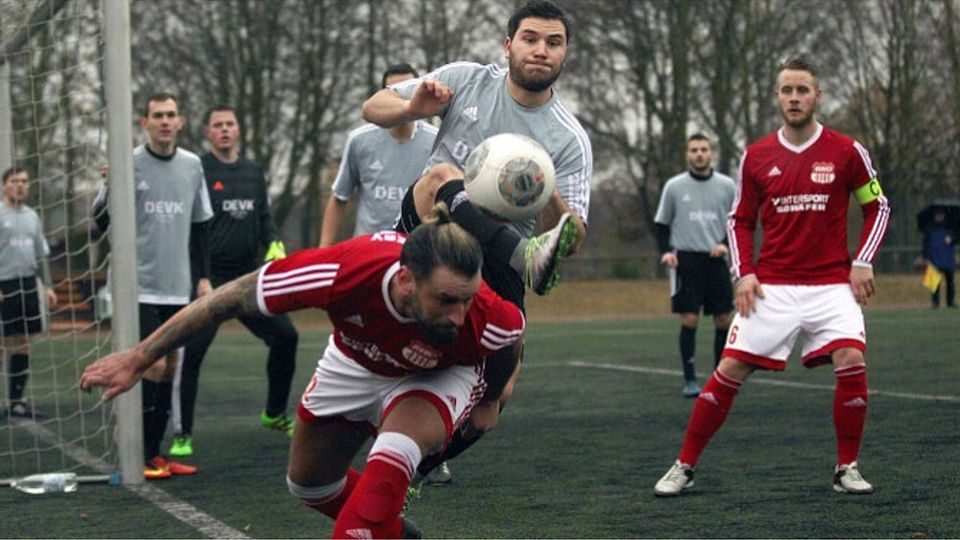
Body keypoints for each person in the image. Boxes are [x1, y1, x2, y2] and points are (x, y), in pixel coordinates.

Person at [80, 206, 525, 539]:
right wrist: (139, 357)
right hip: (355, 360)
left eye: (466, 299)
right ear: (406, 280)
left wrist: (490, 399)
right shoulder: (341, 272)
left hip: (440, 374)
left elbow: (509, 340)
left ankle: (376, 509)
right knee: (311, 485)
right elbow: (226, 299)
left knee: (389, 462)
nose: (458, 313)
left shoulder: (485, 314)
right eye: (447, 299)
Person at [362, 0, 592, 486]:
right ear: (508, 45)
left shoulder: (569, 139)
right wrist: (411, 106)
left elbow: (572, 238)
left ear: (565, 55)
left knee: (494, 401)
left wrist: (545, 185)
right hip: (432, 234)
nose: (540, 51)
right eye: (530, 39)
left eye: (554, 43)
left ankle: (406, 472)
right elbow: (372, 106)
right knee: (443, 174)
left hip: (494, 261)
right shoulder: (467, 80)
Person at [653, 58, 891, 496]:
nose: (795, 98)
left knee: (852, 361)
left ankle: (846, 468)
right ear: (777, 96)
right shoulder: (757, 156)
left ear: (817, 96)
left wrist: (863, 260)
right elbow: (739, 219)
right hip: (772, 286)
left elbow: (878, 206)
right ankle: (684, 465)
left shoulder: (846, 151)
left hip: (833, 285)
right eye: (787, 91)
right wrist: (743, 275)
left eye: (803, 90)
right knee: (730, 367)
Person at [92, 92, 214, 480]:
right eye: (157, 115)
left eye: (171, 115)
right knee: (153, 364)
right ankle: (138, 454)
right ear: (144, 123)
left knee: (170, 368)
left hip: (177, 285)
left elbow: (200, 225)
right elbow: (99, 223)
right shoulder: (127, 162)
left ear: (180, 122)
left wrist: (203, 276)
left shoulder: (193, 165)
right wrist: (110, 186)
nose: (165, 121)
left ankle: (155, 453)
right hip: (136, 286)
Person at [166, 105, 299, 459]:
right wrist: (200, 276)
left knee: (287, 337)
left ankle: (273, 413)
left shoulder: (254, 172)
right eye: (217, 125)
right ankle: (182, 434)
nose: (224, 130)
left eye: (230, 124)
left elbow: (264, 217)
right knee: (190, 352)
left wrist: (274, 241)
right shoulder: (199, 170)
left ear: (238, 130)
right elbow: (193, 228)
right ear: (208, 132)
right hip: (210, 281)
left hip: (248, 279)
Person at [653, 134, 736, 398]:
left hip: (716, 260)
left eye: (703, 149)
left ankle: (719, 377)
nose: (699, 154)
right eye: (694, 150)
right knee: (690, 318)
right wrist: (666, 251)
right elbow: (661, 223)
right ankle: (689, 380)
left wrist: (724, 243)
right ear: (687, 155)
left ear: (711, 153)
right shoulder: (675, 186)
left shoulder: (727, 185)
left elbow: (738, 221)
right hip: (686, 260)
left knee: (724, 319)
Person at [319, 64, 438, 247]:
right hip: (368, 250)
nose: (403, 98)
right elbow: (339, 197)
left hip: (416, 252)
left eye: (409, 89)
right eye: (395, 93)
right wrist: (323, 252)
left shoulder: (436, 141)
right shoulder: (360, 141)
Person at [1, 168, 58, 419]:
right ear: (4, 186)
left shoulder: (32, 216)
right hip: (4, 285)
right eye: (14, 181)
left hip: (27, 284)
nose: (20, 186)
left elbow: (40, 254)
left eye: (24, 181)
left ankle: (16, 402)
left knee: (23, 343)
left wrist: (47, 286)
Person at [922, 209, 956, 308]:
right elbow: (926, 244)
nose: (939, 217)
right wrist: (926, 257)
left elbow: (955, 239)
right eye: (938, 215)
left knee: (950, 281)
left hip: (947, 258)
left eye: (941, 215)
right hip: (935, 259)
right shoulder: (929, 229)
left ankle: (950, 302)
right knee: (935, 282)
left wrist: (951, 239)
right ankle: (935, 302)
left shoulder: (949, 228)